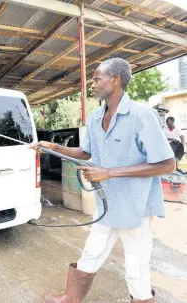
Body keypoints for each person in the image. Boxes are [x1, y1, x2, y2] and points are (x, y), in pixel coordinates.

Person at [31, 58, 176, 303]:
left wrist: (109, 173)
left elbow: (167, 164)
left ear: (116, 80)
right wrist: (52, 146)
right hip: (107, 205)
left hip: (135, 209)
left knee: (135, 270)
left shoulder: (142, 116)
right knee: (91, 252)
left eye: (97, 78)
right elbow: (86, 153)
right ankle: (71, 297)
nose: (92, 84)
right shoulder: (97, 117)